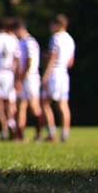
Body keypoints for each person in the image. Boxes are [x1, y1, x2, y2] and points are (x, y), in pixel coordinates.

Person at [41, 14, 75, 142]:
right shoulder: (70, 39)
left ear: (57, 24)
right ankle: (65, 133)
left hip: (54, 72)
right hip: (64, 73)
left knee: (45, 102)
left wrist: (45, 76)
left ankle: (51, 132)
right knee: (63, 104)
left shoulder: (55, 38)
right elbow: (70, 62)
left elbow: (53, 58)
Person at [15, 20, 43, 141]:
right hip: (24, 77)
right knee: (21, 105)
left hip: (30, 77)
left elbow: (29, 61)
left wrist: (21, 76)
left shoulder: (29, 42)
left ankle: (38, 133)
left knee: (33, 105)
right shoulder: (21, 42)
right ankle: (20, 134)